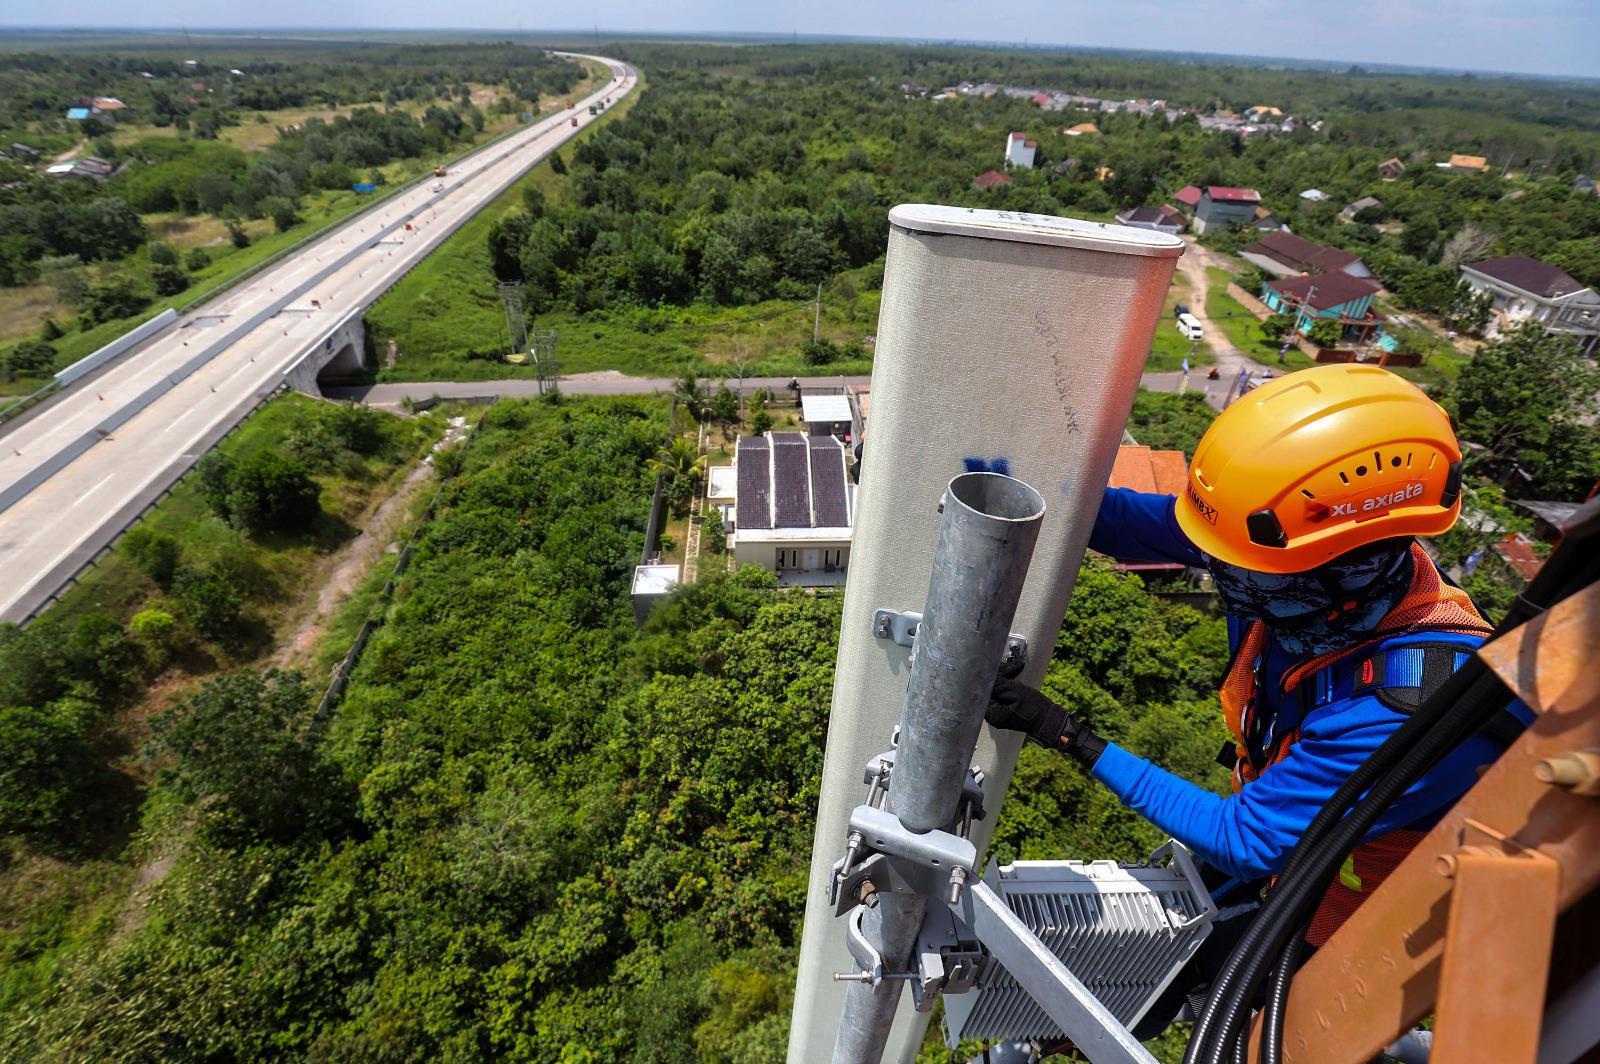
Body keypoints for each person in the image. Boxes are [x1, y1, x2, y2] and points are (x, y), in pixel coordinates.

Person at [985, 364, 1528, 1036]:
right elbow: (1126, 524)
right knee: (1138, 984)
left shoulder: (1406, 699)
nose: (1223, 573)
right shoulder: (1299, 561)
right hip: (1294, 851)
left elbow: (1243, 839)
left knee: (1202, 1021)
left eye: (1245, 566)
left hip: (1350, 920)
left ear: (1349, 561)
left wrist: (1068, 735)